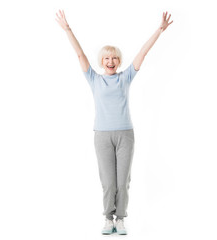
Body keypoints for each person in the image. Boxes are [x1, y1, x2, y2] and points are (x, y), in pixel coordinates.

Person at [55, 10, 173, 235]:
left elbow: (143, 53)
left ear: (119, 61)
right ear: (102, 62)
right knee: (108, 182)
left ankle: (121, 219)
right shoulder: (94, 79)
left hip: (125, 134)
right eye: (107, 58)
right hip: (102, 135)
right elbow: (80, 55)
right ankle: (108, 219)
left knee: (123, 182)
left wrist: (159, 30)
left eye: (114, 58)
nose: (111, 61)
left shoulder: (125, 77)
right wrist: (68, 30)